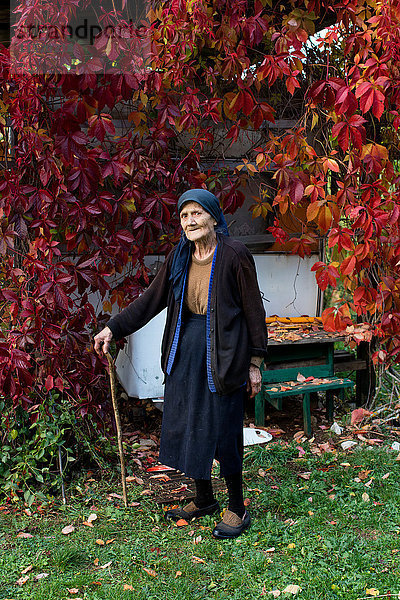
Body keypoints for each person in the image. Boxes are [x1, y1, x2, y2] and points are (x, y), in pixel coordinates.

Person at [94, 188, 268, 539]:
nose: (190, 221)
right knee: (190, 422)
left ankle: (237, 507)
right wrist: (114, 326)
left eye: (196, 213)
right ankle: (204, 499)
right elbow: (150, 300)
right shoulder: (180, 255)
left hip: (224, 353)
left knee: (224, 428)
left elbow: (253, 309)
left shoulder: (235, 255)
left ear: (213, 217)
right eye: (184, 215)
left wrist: (254, 362)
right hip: (184, 348)